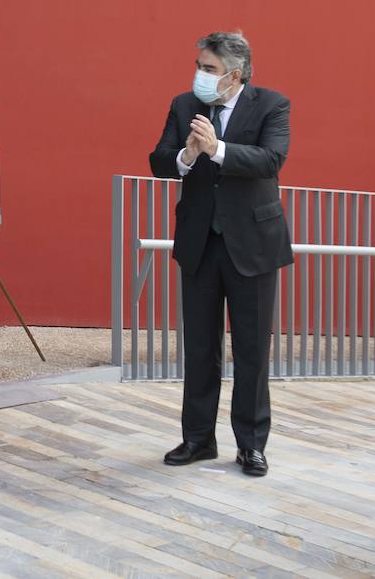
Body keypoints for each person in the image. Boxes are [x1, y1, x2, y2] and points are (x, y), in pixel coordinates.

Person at [148, 31, 293, 478]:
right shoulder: (183, 105)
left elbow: (271, 160)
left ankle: (250, 445)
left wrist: (218, 149)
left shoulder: (271, 104)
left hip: (252, 245)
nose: (200, 75)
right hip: (199, 243)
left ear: (236, 73)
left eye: (209, 69)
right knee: (200, 346)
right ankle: (197, 439)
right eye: (199, 65)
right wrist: (187, 157)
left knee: (251, 350)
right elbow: (158, 160)